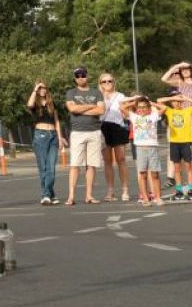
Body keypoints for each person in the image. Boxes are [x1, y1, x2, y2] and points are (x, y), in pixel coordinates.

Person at [162, 62, 192, 188]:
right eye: (182, 70)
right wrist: (176, 66)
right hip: (184, 120)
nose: (185, 71)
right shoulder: (179, 84)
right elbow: (164, 78)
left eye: (187, 69)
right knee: (190, 150)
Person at [65, 67, 104, 205]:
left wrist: (80, 109)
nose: (81, 77)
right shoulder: (71, 93)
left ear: (87, 76)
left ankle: (89, 195)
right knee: (75, 165)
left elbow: (101, 110)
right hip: (78, 132)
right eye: (78, 75)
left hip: (94, 131)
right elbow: (72, 109)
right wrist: (90, 106)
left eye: (83, 75)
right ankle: (71, 196)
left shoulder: (96, 92)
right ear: (75, 78)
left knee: (91, 165)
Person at [153, 90, 192, 201]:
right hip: (174, 143)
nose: (176, 103)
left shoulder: (188, 110)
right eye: (174, 101)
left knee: (188, 166)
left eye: (178, 101)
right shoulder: (169, 110)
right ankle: (179, 191)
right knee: (177, 168)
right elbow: (158, 101)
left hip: (187, 142)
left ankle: (191, 190)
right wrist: (171, 98)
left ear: (181, 102)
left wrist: (186, 98)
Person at [120, 96, 165, 206]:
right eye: (139, 107)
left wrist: (151, 103)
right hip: (140, 148)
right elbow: (122, 108)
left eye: (144, 107)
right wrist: (134, 103)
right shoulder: (134, 117)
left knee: (155, 174)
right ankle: (145, 198)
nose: (142, 109)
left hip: (152, 148)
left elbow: (163, 108)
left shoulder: (153, 116)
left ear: (148, 108)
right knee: (142, 174)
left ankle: (158, 197)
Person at [27, 82, 66, 205]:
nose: (43, 90)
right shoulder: (36, 104)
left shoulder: (51, 104)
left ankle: (49, 193)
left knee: (51, 168)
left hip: (53, 135)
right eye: (40, 88)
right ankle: (47, 195)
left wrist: (60, 137)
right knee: (43, 167)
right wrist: (35, 90)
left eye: (44, 88)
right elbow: (29, 104)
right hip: (40, 136)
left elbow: (57, 121)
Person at [96, 72, 130, 202]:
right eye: (104, 82)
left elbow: (126, 111)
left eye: (109, 81)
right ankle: (110, 191)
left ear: (113, 82)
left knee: (121, 159)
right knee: (107, 160)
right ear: (100, 84)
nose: (107, 84)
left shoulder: (120, 96)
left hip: (117, 127)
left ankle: (125, 190)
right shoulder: (98, 97)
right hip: (103, 127)